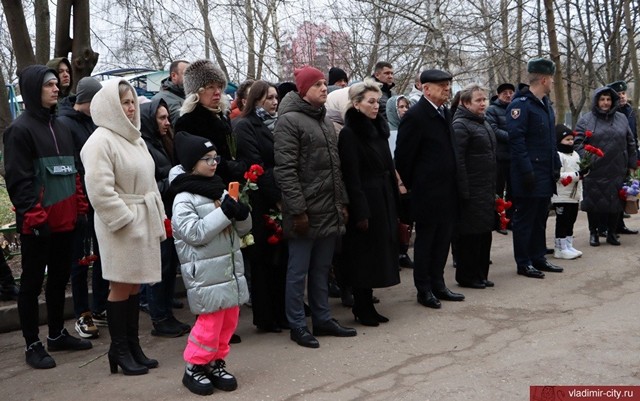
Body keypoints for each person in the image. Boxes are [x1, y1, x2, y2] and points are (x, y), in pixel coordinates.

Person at [3, 64, 92, 369]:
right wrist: (36, 218)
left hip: (66, 222)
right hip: (38, 226)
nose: (56, 88)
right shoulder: (19, 131)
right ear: (32, 90)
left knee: (58, 280)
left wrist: (80, 209)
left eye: (56, 84)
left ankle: (56, 334)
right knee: (30, 285)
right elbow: (19, 182)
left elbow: (73, 172)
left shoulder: (62, 127)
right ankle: (32, 344)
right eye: (48, 85)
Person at [81, 79, 166, 375]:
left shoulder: (134, 138)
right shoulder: (100, 141)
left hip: (141, 218)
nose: (130, 108)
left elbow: (149, 182)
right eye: (124, 103)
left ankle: (131, 346)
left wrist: (154, 217)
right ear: (110, 106)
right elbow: (99, 191)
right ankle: (118, 349)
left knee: (134, 284)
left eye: (132, 102)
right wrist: (126, 220)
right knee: (120, 283)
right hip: (120, 225)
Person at [274, 65, 356, 348]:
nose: (324, 88)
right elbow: (286, 171)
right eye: (318, 84)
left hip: (328, 208)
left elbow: (335, 168)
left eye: (324, 83)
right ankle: (297, 325)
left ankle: (322, 319)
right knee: (298, 272)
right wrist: (298, 211)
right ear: (303, 90)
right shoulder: (289, 121)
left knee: (321, 268)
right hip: (305, 212)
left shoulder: (323, 120)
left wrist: (342, 201)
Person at [169, 131, 251, 396]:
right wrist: (225, 213)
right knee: (210, 322)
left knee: (228, 319)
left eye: (216, 158)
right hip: (205, 273)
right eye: (208, 159)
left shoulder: (219, 189)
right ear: (192, 163)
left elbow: (241, 230)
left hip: (228, 269)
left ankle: (215, 361)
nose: (214, 163)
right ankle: (194, 365)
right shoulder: (183, 197)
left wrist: (242, 214)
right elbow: (193, 233)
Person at [395, 69, 465, 309]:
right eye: (442, 85)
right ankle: (423, 289)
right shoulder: (416, 116)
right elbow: (403, 158)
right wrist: (415, 186)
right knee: (426, 241)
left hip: (448, 190)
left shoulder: (444, 112)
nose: (447, 89)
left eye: (448, 84)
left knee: (443, 240)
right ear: (426, 88)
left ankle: (438, 283)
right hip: (427, 193)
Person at [338, 78, 400, 326]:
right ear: (356, 104)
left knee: (378, 253)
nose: (376, 106)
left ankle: (368, 303)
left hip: (383, 196)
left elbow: (389, 165)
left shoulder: (378, 129)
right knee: (364, 255)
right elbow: (351, 175)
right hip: (366, 199)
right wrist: (360, 211)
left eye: (378, 101)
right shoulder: (350, 134)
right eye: (371, 102)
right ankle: (361, 306)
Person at [57, 76, 110, 339]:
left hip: (98, 199)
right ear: (86, 101)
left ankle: (99, 306)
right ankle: (83, 312)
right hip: (80, 201)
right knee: (80, 259)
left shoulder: (94, 121)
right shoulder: (65, 124)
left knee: (101, 256)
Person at [234, 81, 288, 333]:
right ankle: (266, 317)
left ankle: (281, 312)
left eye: (276, 97)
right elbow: (256, 165)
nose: (275, 102)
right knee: (263, 260)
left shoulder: (278, 124)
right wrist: (277, 198)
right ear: (256, 100)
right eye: (269, 98)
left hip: (278, 194)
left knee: (280, 258)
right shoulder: (245, 125)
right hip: (260, 201)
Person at [506, 58, 563, 279]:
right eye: (551, 79)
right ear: (544, 79)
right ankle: (524, 262)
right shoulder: (520, 105)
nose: (553, 83)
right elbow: (516, 140)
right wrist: (526, 171)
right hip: (528, 173)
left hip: (545, 172)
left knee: (540, 217)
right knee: (525, 219)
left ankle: (538, 257)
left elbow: (550, 141)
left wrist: (556, 164)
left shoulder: (545, 105)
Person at [140, 97, 191, 338]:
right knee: (160, 267)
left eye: (167, 117)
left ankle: (165, 312)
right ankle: (160, 318)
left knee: (169, 265)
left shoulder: (161, 142)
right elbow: (148, 186)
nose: (167, 122)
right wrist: (173, 181)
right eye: (161, 118)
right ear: (149, 121)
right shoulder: (144, 147)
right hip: (157, 214)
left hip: (168, 211)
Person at [573, 86, 637, 247]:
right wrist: (589, 159)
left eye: (608, 99)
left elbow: (630, 142)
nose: (606, 103)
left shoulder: (621, 118)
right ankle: (594, 232)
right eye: (602, 99)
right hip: (595, 169)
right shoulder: (586, 120)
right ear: (596, 101)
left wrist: (632, 164)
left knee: (616, 201)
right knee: (594, 202)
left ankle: (612, 233)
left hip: (618, 168)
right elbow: (578, 143)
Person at [451, 84, 497, 289]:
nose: (483, 103)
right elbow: (458, 161)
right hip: (471, 189)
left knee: (484, 233)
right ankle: (467, 276)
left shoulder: (483, 122)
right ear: (466, 103)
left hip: (486, 187)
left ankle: (480, 274)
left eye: (484, 99)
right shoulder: (460, 125)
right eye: (478, 100)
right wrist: (463, 190)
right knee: (470, 235)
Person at [175, 60, 246, 185]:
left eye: (219, 86)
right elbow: (191, 163)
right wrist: (231, 167)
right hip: (208, 185)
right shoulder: (187, 122)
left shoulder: (223, 116)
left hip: (232, 183)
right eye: (210, 87)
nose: (217, 92)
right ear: (196, 92)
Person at [606, 80, 638, 236]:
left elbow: (633, 136)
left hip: (627, 156)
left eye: (624, 93)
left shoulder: (629, 111)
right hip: (614, 158)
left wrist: (635, 158)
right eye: (618, 94)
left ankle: (619, 224)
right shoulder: (610, 113)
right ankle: (606, 226)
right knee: (611, 193)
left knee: (624, 191)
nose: (622, 97)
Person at [386, 95, 413, 269]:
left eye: (406, 106)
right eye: (401, 107)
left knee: (407, 218)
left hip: (409, 180)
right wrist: (399, 181)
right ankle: (394, 253)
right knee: (396, 218)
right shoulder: (388, 130)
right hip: (395, 182)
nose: (404, 110)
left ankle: (404, 251)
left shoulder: (409, 127)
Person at [486, 82, 515, 233]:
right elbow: (493, 129)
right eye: (505, 93)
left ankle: (510, 219)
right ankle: (498, 222)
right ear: (498, 95)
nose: (508, 95)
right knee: (498, 190)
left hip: (513, 156)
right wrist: (512, 137)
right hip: (498, 156)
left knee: (512, 190)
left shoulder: (515, 108)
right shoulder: (492, 110)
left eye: (511, 92)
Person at [551, 124, 582, 259]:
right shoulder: (558, 155)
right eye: (567, 139)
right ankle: (560, 247)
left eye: (572, 139)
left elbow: (580, 170)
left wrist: (585, 171)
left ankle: (568, 245)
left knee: (571, 220)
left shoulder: (575, 154)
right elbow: (558, 176)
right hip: (561, 195)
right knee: (562, 221)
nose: (570, 142)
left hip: (574, 195)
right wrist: (577, 175)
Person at [152, 60, 189, 127]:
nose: (191, 77)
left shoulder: (192, 95)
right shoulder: (159, 99)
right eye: (187, 74)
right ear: (174, 76)